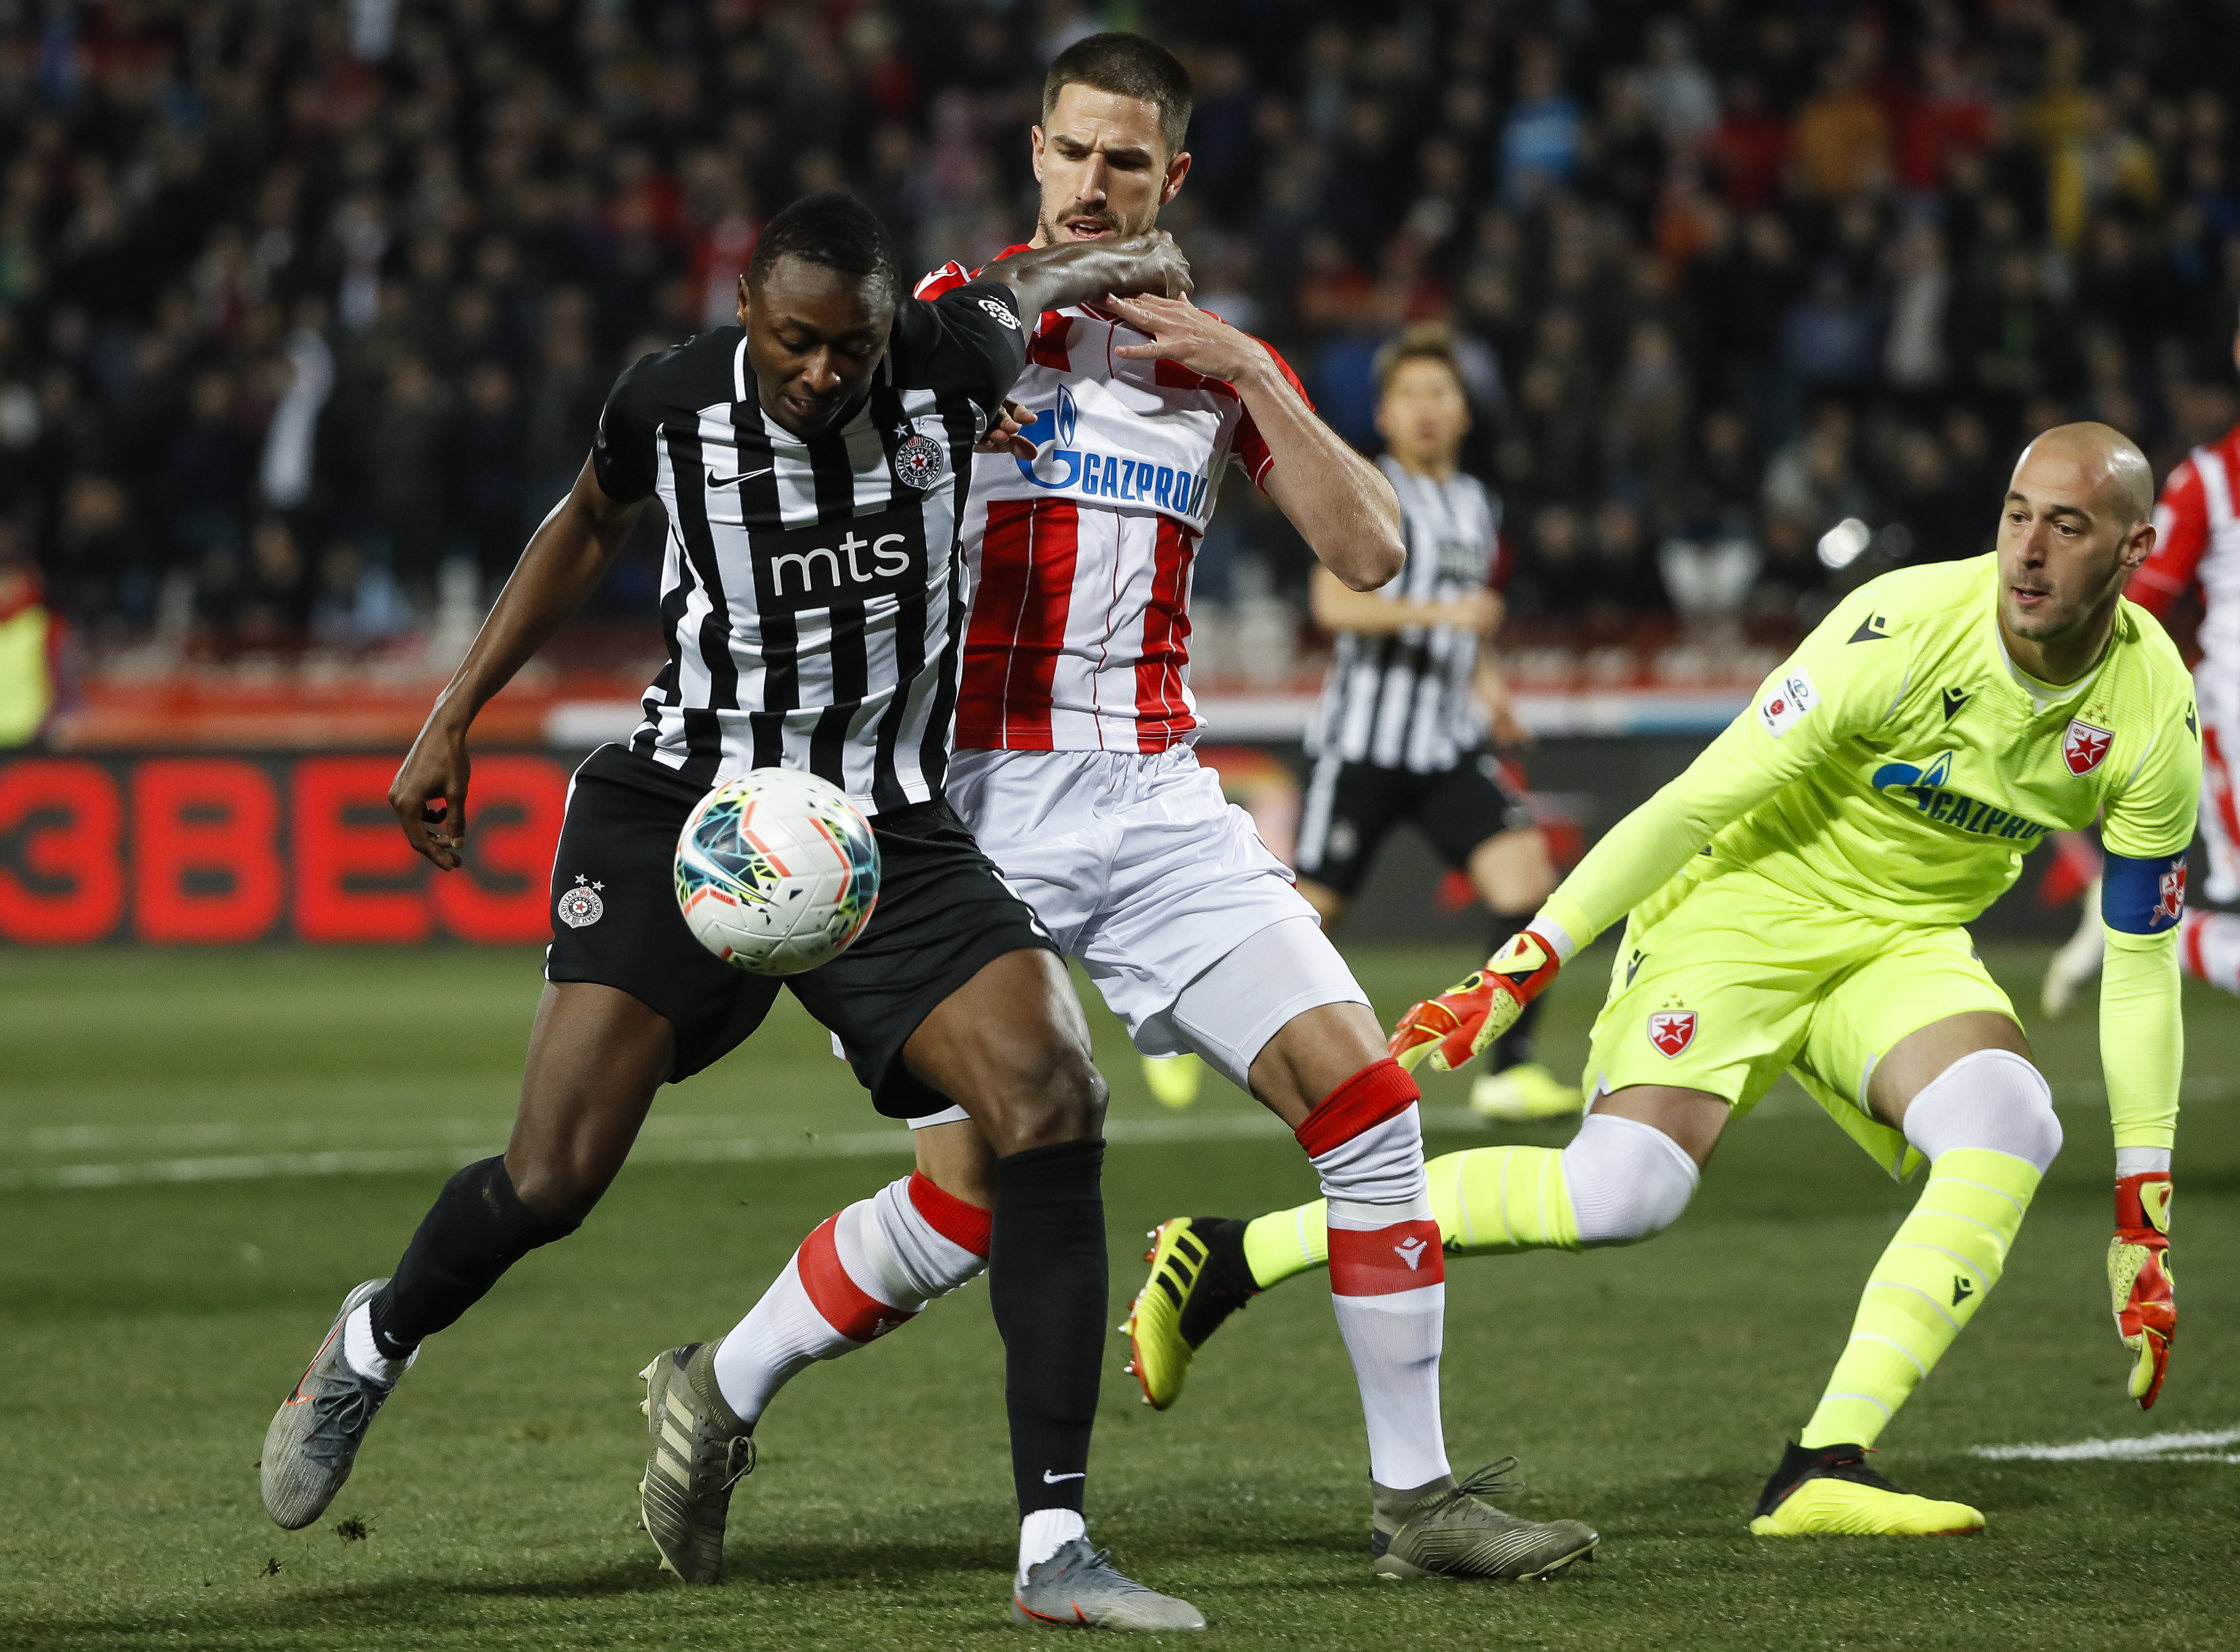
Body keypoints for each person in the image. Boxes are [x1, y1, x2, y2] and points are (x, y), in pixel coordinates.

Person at [688, 33, 1600, 1593]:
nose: (1094, 183)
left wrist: (1247, 368)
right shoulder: (935, 335)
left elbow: (1372, 551)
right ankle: (717, 1387)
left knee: (1366, 1106)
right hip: (954, 813)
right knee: (974, 1199)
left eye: (1127, 161)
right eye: (1071, 152)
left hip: (1156, 804)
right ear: (1030, 156)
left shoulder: (1205, 360)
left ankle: (1418, 1496)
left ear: (1172, 180)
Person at [258, 191, 1208, 1631]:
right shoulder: (668, 402)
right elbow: (582, 527)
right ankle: (372, 1338)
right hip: (681, 811)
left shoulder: (956, 358)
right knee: (555, 1174)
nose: (821, 373)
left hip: (879, 826)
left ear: (896, 327)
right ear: (748, 313)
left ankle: (1055, 1545)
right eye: (793, 340)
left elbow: (1038, 270)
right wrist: (452, 713)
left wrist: (1140, 258)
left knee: (1051, 1095)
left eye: (851, 346)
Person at [1133, 423, 2190, 1537]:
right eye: (2015, 513)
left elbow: (2136, 965)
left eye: (2064, 527)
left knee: (2011, 1119)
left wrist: (2144, 1205)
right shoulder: (1902, 628)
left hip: (1900, 941)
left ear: (2131, 550)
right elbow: (1693, 802)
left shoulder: (2147, 714)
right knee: (1621, 1193)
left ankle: (1823, 1462)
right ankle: (1237, 1250)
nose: (2025, 550)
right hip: (1732, 911)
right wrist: (1523, 962)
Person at [1291, 321, 1579, 1124]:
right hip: (1364, 745)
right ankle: (1191, 1033)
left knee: (1525, 881)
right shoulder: (1367, 487)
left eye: (1439, 393)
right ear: (1382, 415)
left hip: (1447, 742)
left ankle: (1507, 1072)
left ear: (1464, 412)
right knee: (1308, 915)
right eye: (1408, 394)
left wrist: (1490, 687)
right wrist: (1446, 611)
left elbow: (1468, 629)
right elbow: (1330, 603)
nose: (1424, 408)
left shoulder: (1476, 504)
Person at [2043, 308, 2240, 1011]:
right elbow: (2143, 602)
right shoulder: (2208, 481)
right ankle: (2153, 924)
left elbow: (2140, 600)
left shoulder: (2205, 480)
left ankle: (2140, 920)